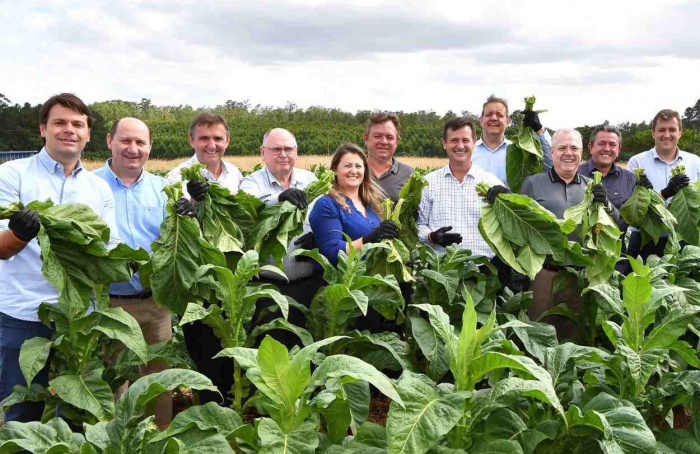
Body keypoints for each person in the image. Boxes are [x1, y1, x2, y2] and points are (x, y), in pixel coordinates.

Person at [0, 93, 119, 422]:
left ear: (88, 134)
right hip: (23, 314)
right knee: (21, 408)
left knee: (77, 411)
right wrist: (21, 234)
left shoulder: (98, 188)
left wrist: (129, 261)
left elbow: (109, 247)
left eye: (78, 124)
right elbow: (0, 246)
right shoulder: (12, 175)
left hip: (78, 317)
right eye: (60, 122)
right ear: (43, 129)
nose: (69, 130)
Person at [92, 117, 171, 429]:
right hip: (109, 304)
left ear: (149, 147)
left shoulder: (163, 189)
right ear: (110, 140)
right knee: (113, 382)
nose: (133, 148)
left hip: (156, 304)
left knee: (158, 380)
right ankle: (117, 441)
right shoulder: (89, 186)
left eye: (140, 142)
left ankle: (159, 441)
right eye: (125, 140)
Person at [517, 128, 621, 340]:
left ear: (582, 153)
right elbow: (519, 229)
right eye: (562, 147)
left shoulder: (590, 186)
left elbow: (616, 224)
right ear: (552, 152)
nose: (568, 153)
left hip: (580, 279)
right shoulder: (533, 184)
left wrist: (607, 205)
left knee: (576, 337)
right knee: (539, 336)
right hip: (544, 275)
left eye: (574, 148)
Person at [240, 128, 323, 346]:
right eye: (276, 149)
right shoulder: (251, 183)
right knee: (270, 348)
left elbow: (324, 215)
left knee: (305, 347)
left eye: (288, 149)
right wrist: (280, 199)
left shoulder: (311, 180)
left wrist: (318, 235)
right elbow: (249, 208)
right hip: (268, 288)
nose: (283, 154)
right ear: (263, 152)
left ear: (296, 152)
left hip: (308, 284)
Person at [417, 117, 502, 257]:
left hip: (483, 268)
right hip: (441, 268)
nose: (460, 146)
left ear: (474, 142)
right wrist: (432, 237)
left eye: (466, 140)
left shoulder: (490, 182)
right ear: (444, 143)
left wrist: (507, 195)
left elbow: (505, 223)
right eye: (454, 140)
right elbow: (419, 224)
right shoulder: (428, 183)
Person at [626, 109, 700, 258]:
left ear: (680, 132)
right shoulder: (637, 162)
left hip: (683, 239)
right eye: (661, 130)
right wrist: (664, 193)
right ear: (653, 132)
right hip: (645, 239)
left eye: (672, 129)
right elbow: (632, 214)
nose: (667, 135)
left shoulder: (695, 162)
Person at [309, 143, 398, 266]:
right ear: (335, 169)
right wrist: (369, 239)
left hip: (371, 281)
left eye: (358, 166)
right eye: (347, 165)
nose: (354, 171)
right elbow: (331, 252)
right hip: (343, 282)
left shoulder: (372, 203)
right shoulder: (326, 204)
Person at [474, 95, 552, 185]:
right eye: (488, 114)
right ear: (480, 120)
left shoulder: (520, 152)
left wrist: (539, 128)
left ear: (508, 121)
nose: (494, 118)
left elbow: (551, 167)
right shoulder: (468, 152)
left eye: (499, 115)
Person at [166, 112, 242, 200]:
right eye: (204, 138)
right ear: (191, 140)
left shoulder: (235, 174)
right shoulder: (175, 178)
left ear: (227, 141)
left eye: (218, 139)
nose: (212, 146)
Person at [578, 125, 636, 210]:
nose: (607, 149)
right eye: (601, 144)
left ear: (618, 150)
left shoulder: (630, 179)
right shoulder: (575, 174)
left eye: (612, 145)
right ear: (591, 147)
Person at [363, 112, 414, 202]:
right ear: (366, 138)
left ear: (397, 142)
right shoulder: (353, 171)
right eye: (377, 136)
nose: (384, 142)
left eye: (389, 137)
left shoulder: (409, 175)